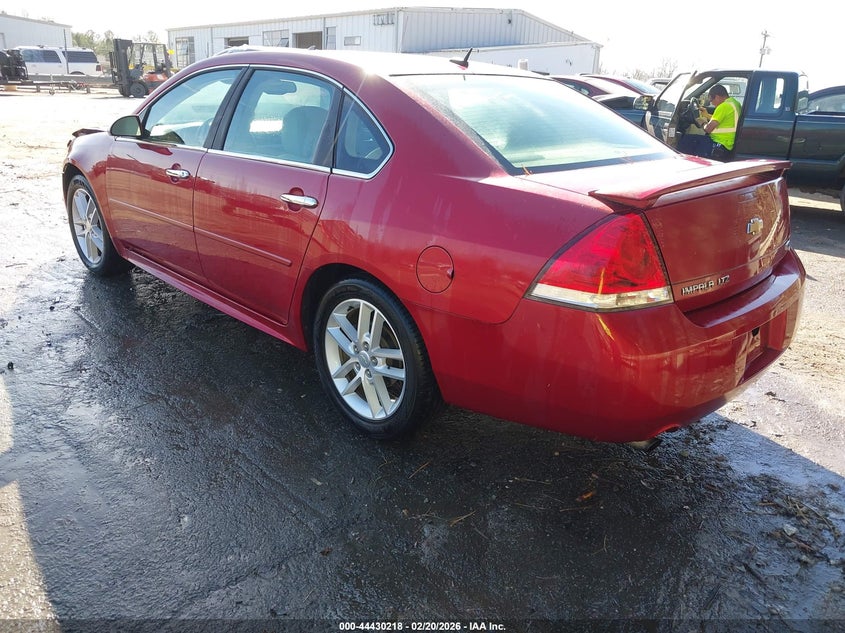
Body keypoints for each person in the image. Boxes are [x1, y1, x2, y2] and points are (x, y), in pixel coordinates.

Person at [698, 84, 742, 161]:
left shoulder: (723, 106)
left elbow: (708, 129)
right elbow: (724, 120)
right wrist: (707, 115)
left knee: (687, 141)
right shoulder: (735, 103)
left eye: (711, 100)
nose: (712, 103)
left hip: (720, 143)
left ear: (717, 97)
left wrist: (702, 123)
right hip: (729, 143)